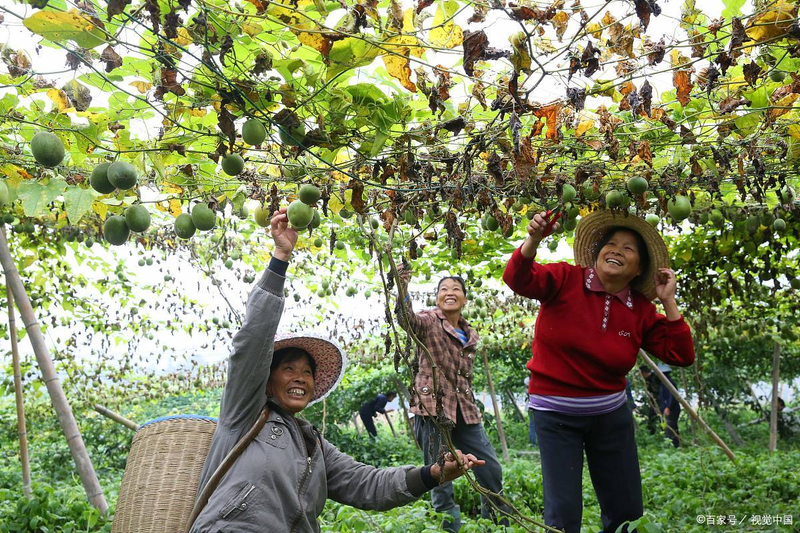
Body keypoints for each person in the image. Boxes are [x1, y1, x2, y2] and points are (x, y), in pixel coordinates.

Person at [189, 208, 485, 533]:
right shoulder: (244, 415)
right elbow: (253, 342)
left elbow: (368, 484)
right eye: (288, 368)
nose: (300, 377)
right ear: (266, 380)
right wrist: (280, 259)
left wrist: (432, 474)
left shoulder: (314, 446)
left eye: (307, 372)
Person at [503, 209, 696, 533]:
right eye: (612, 244)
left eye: (628, 248)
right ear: (597, 253)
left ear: (639, 269)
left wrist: (668, 301)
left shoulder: (640, 309)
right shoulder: (565, 278)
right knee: (563, 512)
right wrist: (533, 239)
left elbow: (681, 354)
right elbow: (518, 278)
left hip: (610, 417)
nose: (617, 250)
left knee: (626, 509)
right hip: (556, 416)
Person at [397, 268, 511, 532]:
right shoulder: (428, 321)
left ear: (464, 299)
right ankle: (449, 528)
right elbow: (407, 319)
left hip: (465, 410)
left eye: (456, 289)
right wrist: (402, 289)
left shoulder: (469, 334)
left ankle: (496, 525)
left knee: (490, 468)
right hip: (433, 409)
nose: (449, 293)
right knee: (441, 476)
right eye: (444, 289)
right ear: (437, 298)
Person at [658, 364, 681, 447]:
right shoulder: (663, 383)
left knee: (671, 426)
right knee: (669, 426)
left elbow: (672, 396)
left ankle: (675, 444)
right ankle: (673, 444)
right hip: (667, 408)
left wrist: (668, 407)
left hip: (672, 408)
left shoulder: (670, 382)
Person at [639, 365, 662, 435]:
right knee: (652, 416)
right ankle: (652, 432)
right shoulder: (647, 380)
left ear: (644, 373)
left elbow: (659, 389)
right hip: (653, 401)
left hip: (659, 400)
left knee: (661, 416)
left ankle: (663, 431)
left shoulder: (655, 377)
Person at [525, 376, 537, 447]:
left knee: (532, 425)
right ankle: (534, 443)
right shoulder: (536, 381)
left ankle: (533, 443)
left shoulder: (527, 380)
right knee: (534, 425)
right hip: (536, 406)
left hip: (530, 406)